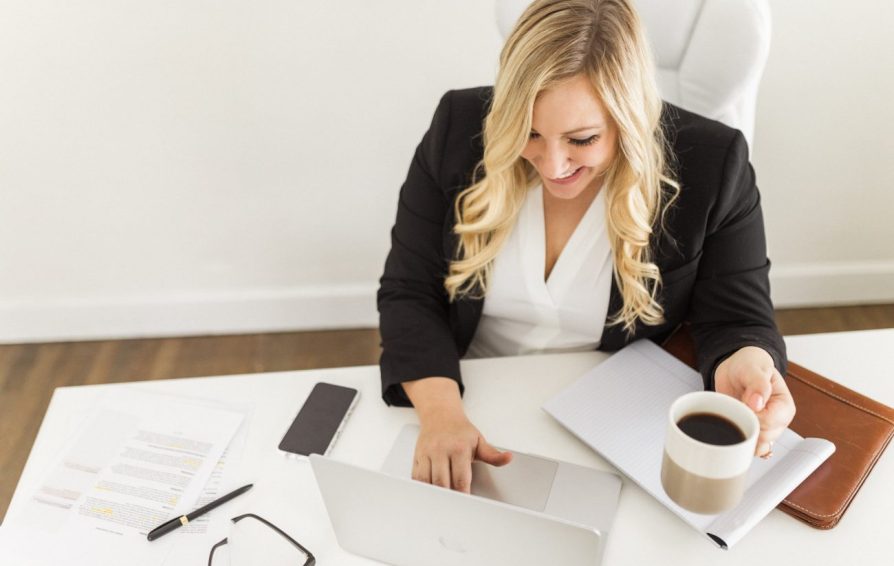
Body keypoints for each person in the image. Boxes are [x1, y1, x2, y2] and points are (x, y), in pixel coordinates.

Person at [377, 0, 796, 494]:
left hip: (610, 419)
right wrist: (442, 416)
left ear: (630, 118)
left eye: (582, 139)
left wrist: (748, 361)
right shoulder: (457, 125)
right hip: (463, 392)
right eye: (529, 133)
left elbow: (737, 320)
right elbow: (409, 291)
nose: (552, 165)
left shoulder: (713, 165)